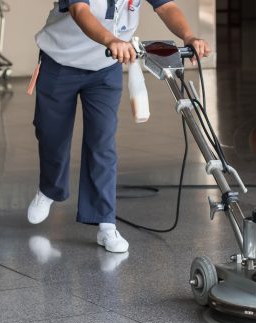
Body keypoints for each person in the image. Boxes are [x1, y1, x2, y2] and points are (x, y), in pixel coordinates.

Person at [27, 0, 211, 253]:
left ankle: (105, 223)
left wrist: (189, 35)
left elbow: (167, 7)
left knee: (102, 143)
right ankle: (49, 189)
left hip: (104, 69)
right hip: (60, 61)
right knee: (51, 135)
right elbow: (80, 11)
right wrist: (110, 40)